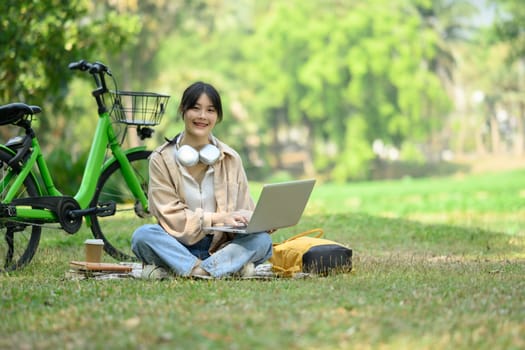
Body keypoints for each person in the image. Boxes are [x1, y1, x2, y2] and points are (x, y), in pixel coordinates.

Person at [131, 81, 273, 279]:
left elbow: (244, 209)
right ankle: (217, 269)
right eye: (195, 108)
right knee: (143, 236)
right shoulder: (161, 159)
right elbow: (170, 216)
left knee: (262, 241)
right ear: (183, 110)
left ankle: (193, 270)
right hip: (176, 245)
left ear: (217, 116)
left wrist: (256, 221)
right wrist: (216, 218)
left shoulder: (231, 158)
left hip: (222, 247)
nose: (202, 116)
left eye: (210, 110)